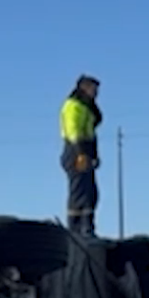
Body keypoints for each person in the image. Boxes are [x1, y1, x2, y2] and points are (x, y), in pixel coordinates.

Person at [59, 74, 102, 236]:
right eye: (93, 89)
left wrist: (94, 155)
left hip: (87, 151)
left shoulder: (87, 108)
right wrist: (80, 153)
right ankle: (75, 229)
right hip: (75, 151)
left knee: (90, 192)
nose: (96, 93)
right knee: (79, 191)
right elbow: (73, 131)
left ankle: (87, 226)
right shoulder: (73, 105)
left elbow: (91, 132)